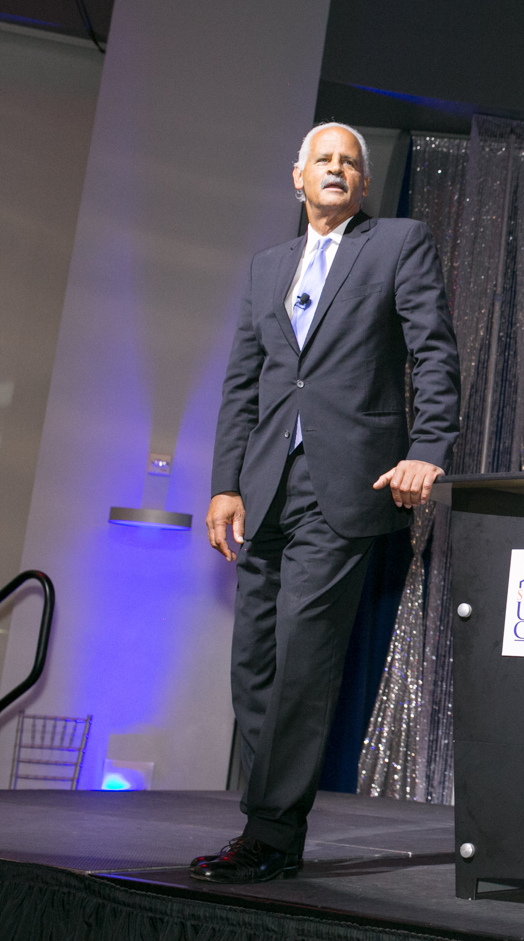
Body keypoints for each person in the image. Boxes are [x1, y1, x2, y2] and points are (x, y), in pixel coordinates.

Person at [193, 122, 459, 883]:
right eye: (325, 161)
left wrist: (428, 450)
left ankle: (270, 833)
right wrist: (223, 482)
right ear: (297, 177)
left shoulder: (397, 244)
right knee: (253, 665)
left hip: (347, 483)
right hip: (266, 485)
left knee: (304, 655)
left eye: (351, 163)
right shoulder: (265, 268)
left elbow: (434, 350)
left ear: (364, 185)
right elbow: (242, 385)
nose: (337, 170)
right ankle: (270, 820)